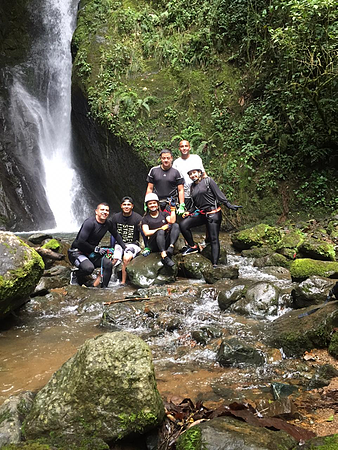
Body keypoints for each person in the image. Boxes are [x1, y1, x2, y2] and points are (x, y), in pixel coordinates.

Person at [179, 167, 242, 268]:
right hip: (202, 214)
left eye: (194, 173)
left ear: (199, 173)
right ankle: (193, 246)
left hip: (213, 213)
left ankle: (215, 264)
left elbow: (219, 195)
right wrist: (189, 212)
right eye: (190, 174)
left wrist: (229, 205)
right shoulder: (192, 187)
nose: (192, 175)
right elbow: (195, 205)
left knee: (213, 239)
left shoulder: (208, 181)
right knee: (183, 225)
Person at [68, 202, 125, 288]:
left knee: (108, 264)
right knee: (89, 268)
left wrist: (125, 247)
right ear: (96, 211)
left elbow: (116, 235)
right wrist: (96, 249)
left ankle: (104, 288)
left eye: (107, 210)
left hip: (91, 252)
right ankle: (76, 274)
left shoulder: (108, 224)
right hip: (77, 252)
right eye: (102, 210)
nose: (104, 212)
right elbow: (80, 241)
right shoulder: (90, 223)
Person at [110, 196, 143, 286]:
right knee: (114, 260)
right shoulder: (116, 218)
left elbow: (143, 233)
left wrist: (147, 247)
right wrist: (111, 248)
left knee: (126, 258)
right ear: (121, 206)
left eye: (128, 204)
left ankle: (123, 282)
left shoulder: (138, 218)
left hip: (133, 244)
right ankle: (109, 280)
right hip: (119, 244)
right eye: (124, 204)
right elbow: (113, 234)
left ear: (132, 206)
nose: (126, 206)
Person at [141, 193, 180, 267]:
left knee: (175, 225)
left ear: (158, 204)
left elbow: (172, 221)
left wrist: (172, 209)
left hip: (165, 241)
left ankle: (171, 246)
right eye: (150, 204)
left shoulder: (164, 214)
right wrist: (160, 228)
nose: (152, 205)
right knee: (160, 231)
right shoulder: (145, 219)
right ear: (147, 206)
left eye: (154, 203)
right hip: (154, 243)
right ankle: (164, 255)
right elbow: (146, 232)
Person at [146, 149, 185, 214]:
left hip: (170, 202)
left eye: (168, 158)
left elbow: (180, 189)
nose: (166, 160)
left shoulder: (176, 172)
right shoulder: (153, 170)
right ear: (160, 158)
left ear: (171, 158)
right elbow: (150, 188)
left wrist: (181, 205)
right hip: (156, 202)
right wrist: (147, 201)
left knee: (170, 222)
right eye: (163, 158)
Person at [173, 140, 206, 210]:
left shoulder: (196, 158)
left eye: (186, 146)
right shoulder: (176, 163)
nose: (184, 148)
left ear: (189, 147)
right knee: (186, 216)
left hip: (199, 193)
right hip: (185, 195)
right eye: (182, 146)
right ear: (179, 149)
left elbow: (203, 174)